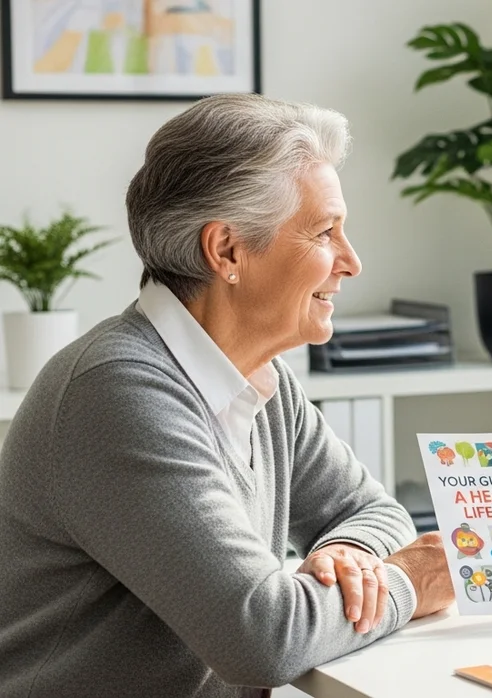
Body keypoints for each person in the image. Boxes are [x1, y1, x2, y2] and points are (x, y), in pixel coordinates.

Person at [0, 94, 454, 697]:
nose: (352, 262)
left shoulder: (260, 378)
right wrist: (409, 582)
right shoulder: (117, 392)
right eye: (325, 232)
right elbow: (263, 638)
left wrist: (350, 554)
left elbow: (374, 511)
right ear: (227, 251)